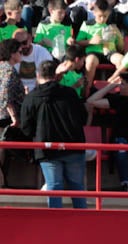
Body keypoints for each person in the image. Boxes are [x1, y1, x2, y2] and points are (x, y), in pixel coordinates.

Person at [19, 59, 89, 209]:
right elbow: (83, 117)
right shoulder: (70, 93)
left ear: (38, 75)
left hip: (47, 149)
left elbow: (26, 128)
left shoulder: (31, 97)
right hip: (73, 146)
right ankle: (84, 223)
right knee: (77, 187)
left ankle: (55, 223)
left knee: (54, 186)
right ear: (57, 75)